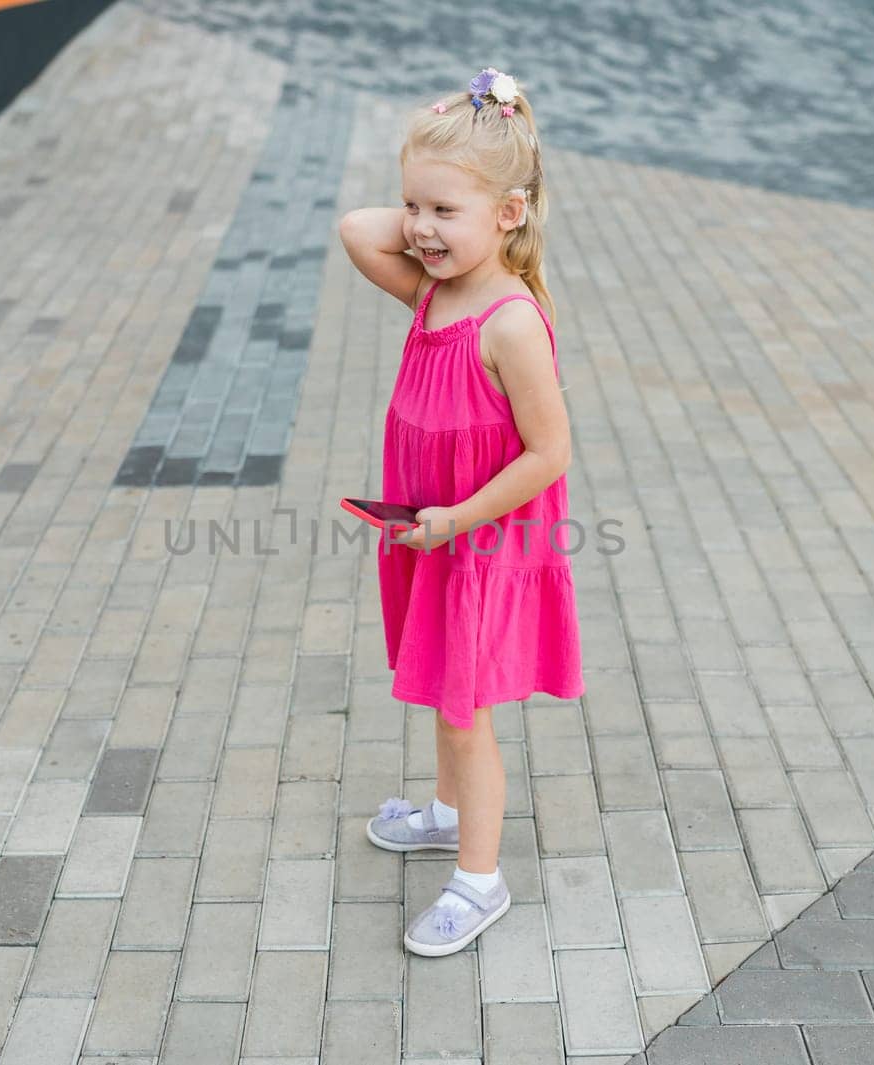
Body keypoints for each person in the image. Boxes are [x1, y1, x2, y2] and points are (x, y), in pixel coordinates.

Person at [336, 67, 585, 957]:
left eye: (446, 212)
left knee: (461, 708)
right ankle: (444, 815)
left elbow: (550, 453)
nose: (417, 229)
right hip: (432, 531)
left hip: (478, 539)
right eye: (415, 205)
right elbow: (356, 228)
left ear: (509, 215)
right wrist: (438, 181)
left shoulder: (508, 321)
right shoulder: (433, 290)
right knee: (442, 686)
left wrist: (457, 518)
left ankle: (480, 879)